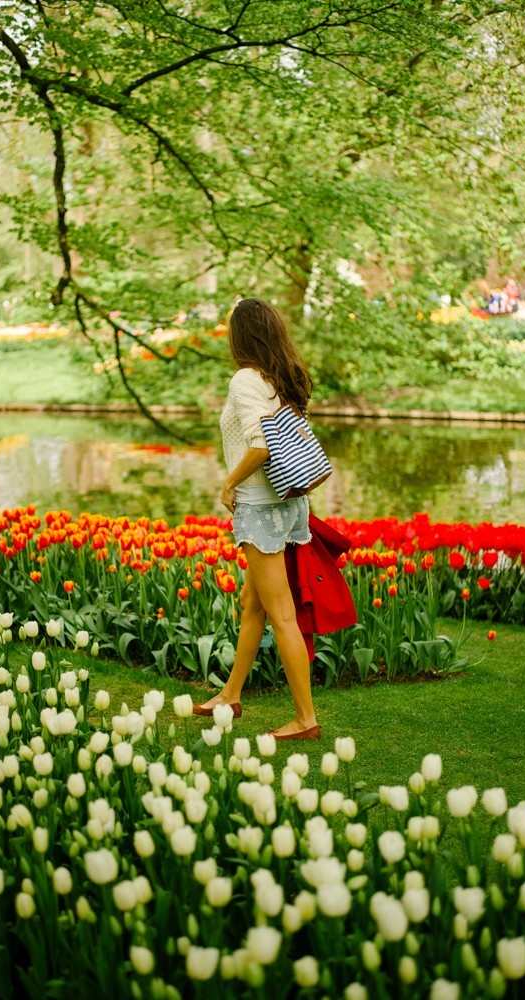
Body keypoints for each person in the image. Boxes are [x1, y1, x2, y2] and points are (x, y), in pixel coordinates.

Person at [192, 297, 320, 740]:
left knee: (281, 614)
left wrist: (229, 484)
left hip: (262, 509)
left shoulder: (245, 380)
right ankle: (230, 694)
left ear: (241, 335)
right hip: (288, 504)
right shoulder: (282, 378)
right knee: (254, 605)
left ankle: (305, 719)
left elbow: (262, 444)